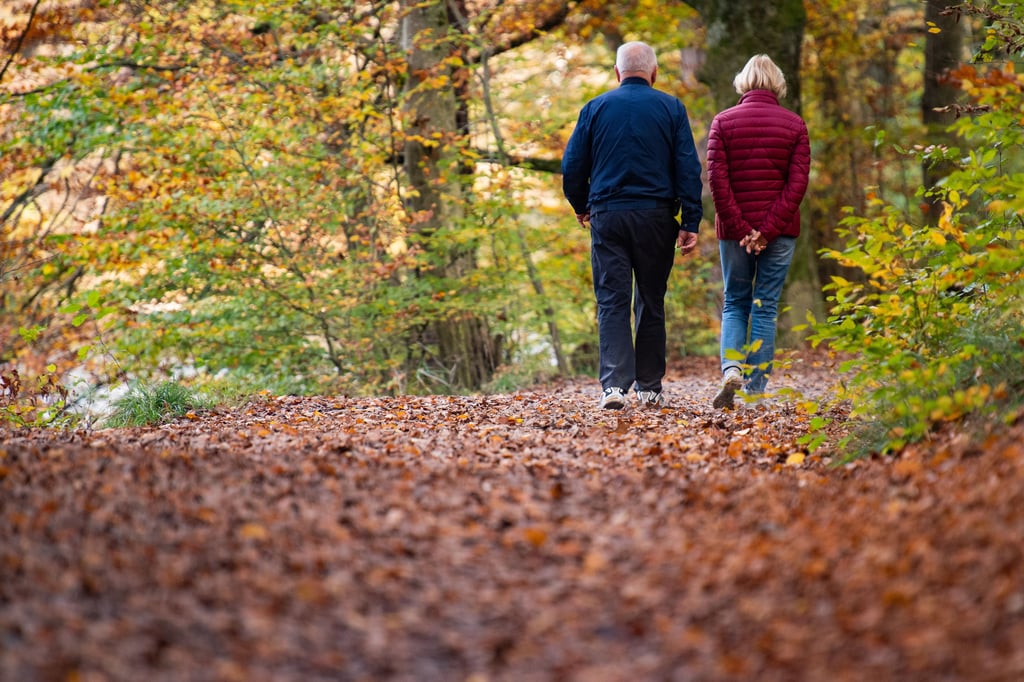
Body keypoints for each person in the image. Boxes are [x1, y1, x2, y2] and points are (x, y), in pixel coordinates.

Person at [561, 41, 703, 410]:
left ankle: (613, 386)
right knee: (651, 300)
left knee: (612, 300)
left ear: (617, 72)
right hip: (657, 216)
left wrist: (581, 205)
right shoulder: (671, 108)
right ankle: (650, 386)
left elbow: (572, 166)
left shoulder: (595, 108)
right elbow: (688, 167)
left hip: (608, 215)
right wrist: (690, 220)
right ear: (653, 73)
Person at [707, 54, 811, 409]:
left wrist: (741, 229)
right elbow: (797, 185)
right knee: (765, 307)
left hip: (734, 233)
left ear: (743, 82)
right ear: (778, 84)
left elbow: (717, 182)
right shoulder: (795, 125)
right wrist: (767, 231)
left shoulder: (723, 122)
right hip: (779, 232)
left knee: (735, 302)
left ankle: (731, 368)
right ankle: (754, 391)